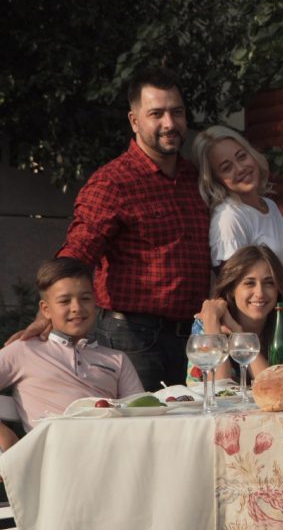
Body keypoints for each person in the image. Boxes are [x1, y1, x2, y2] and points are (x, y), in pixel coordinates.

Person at [6, 67, 210, 390]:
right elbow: (77, 252)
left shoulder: (194, 179)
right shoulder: (112, 182)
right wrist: (47, 313)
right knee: (142, 434)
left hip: (194, 338)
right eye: (156, 113)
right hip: (133, 339)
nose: (169, 123)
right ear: (134, 121)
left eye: (177, 112)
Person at [0, 258, 144, 448]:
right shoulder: (24, 349)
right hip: (50, 461)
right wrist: (4, 436)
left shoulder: (117, 359)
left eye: (85, 298)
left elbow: (141, 414)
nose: (76, 308)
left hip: (109, 453)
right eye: (64, 301)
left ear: (95, 302)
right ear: (46, 309)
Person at [192, 125, 283, 294]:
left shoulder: (269, 205)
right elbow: (234, 292)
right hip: (263, 319)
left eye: (241, 157)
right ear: (215, 180)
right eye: (227, 168)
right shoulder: (229, 218)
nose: (241, 168)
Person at [186, 245, 283, 384]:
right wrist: (212, 321)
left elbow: (277, 388)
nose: (260, 293)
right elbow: (220, 389)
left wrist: (239, 334)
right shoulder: (207, 326)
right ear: (232, 289)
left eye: (269, 283)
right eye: (249, 283)